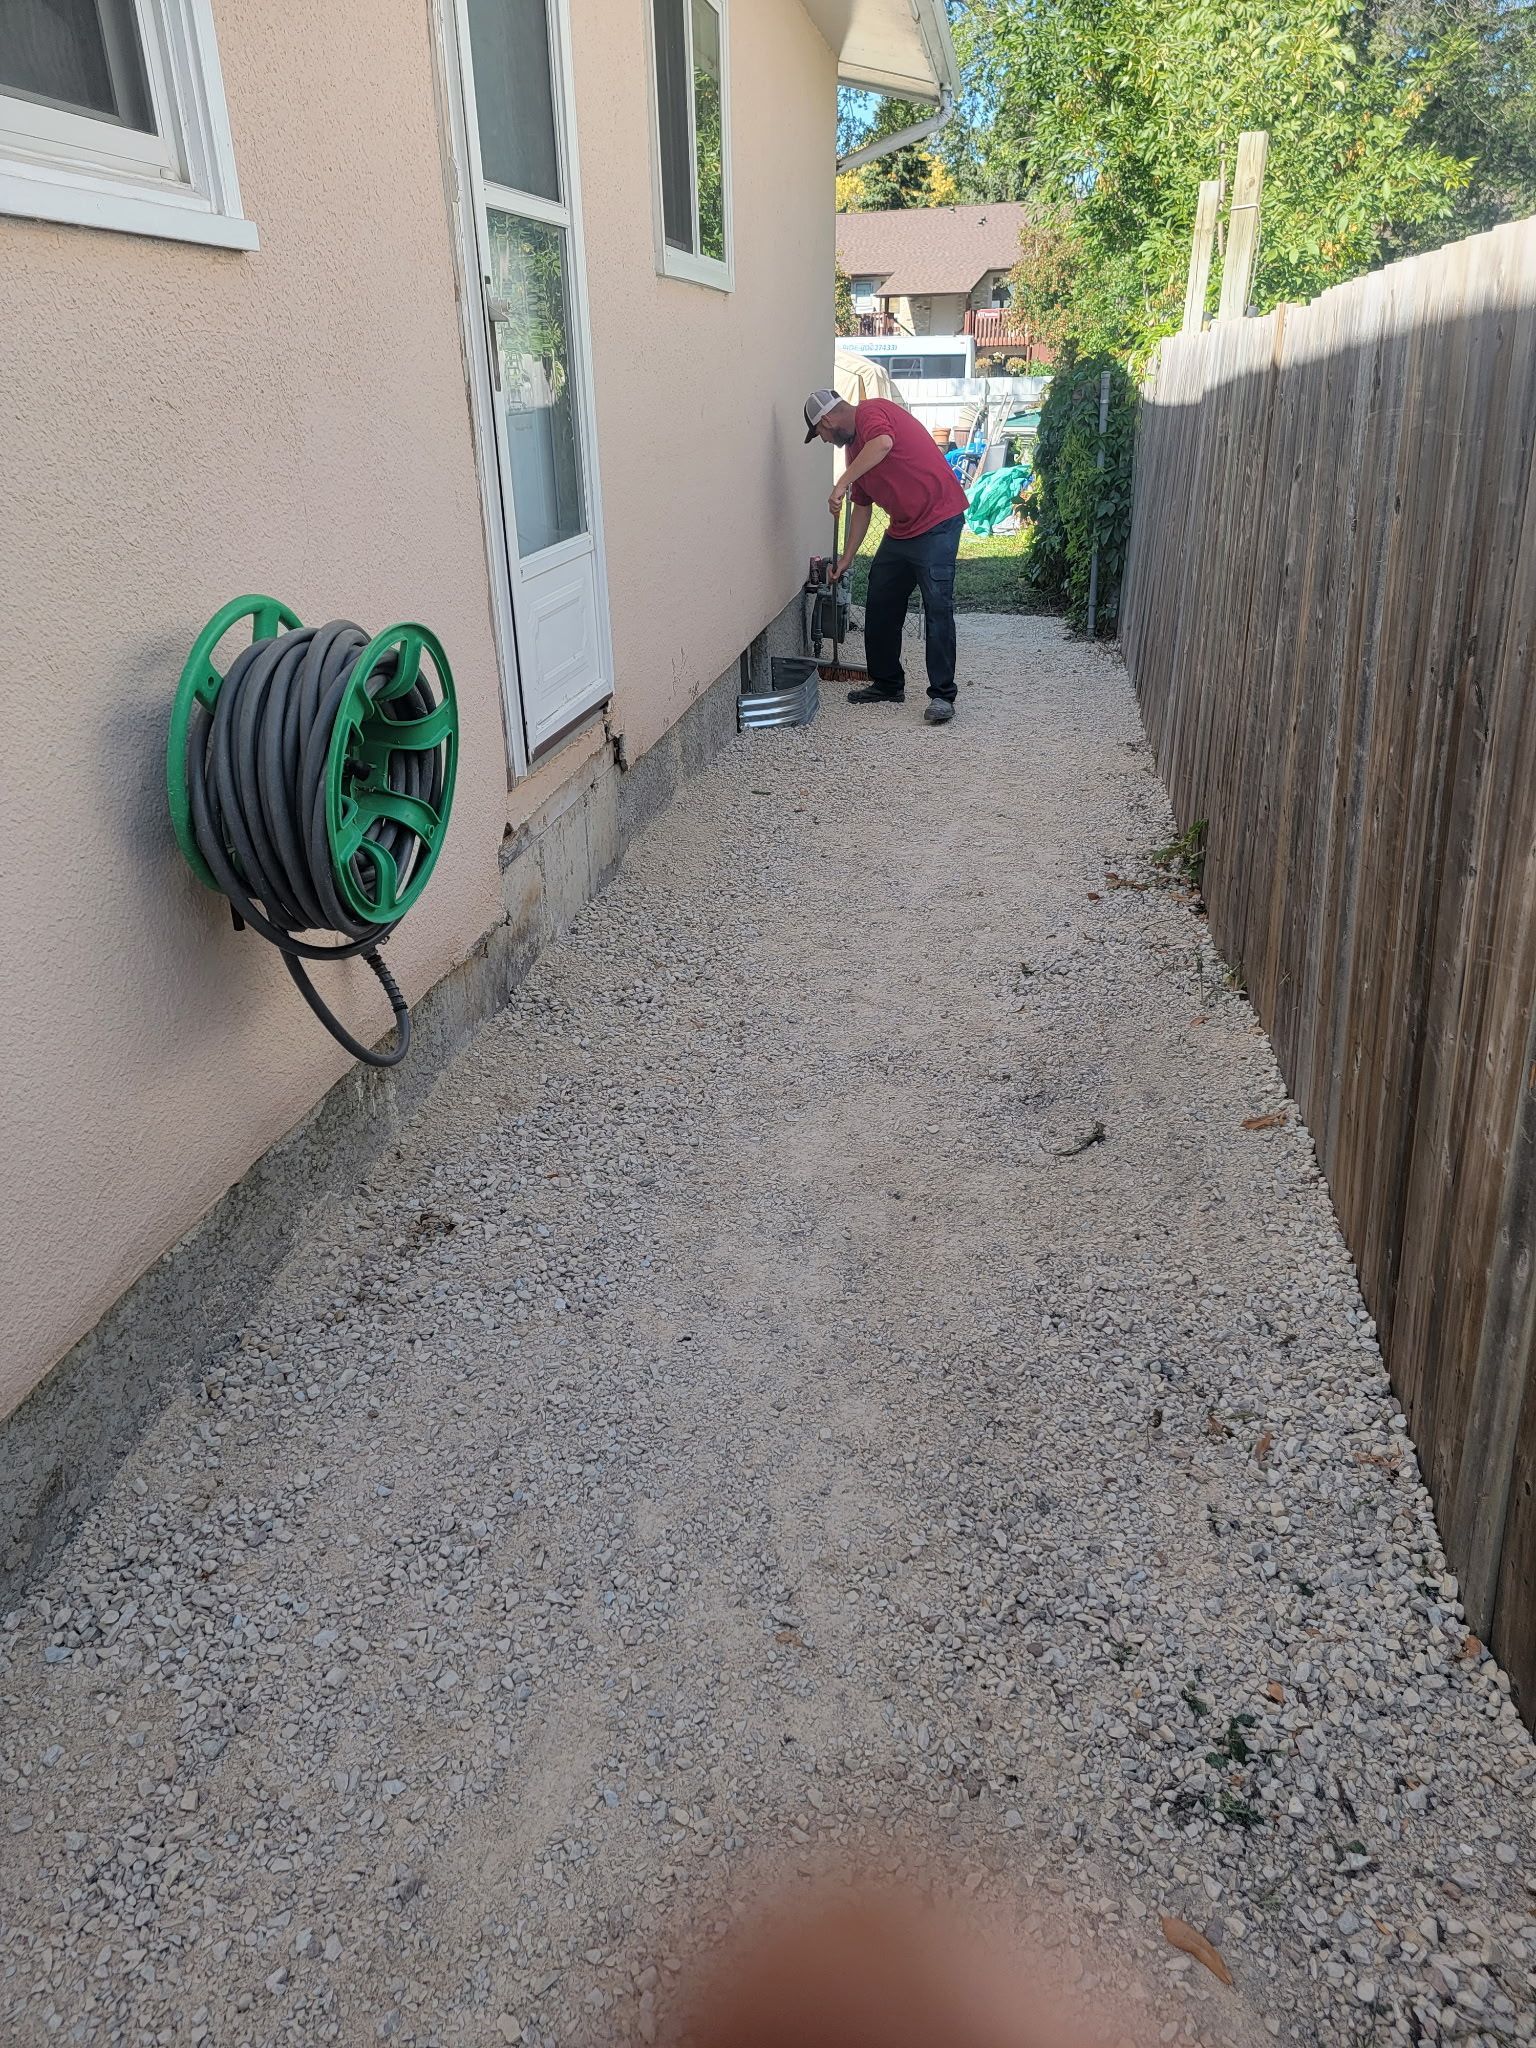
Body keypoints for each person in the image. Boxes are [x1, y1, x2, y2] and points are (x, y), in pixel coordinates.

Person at [804, 388, 968, 726]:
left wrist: (840, 484)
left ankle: (942, 695)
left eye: (818, 432)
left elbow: (883, 444)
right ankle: (888, 683)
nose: (822, 440)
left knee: (937, 605)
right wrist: (847, 557)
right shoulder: (853, 454)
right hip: (903, 529)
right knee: (880, 596)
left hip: (939, 520)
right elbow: (862, 508)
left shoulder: (872, 412)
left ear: (827, 420)